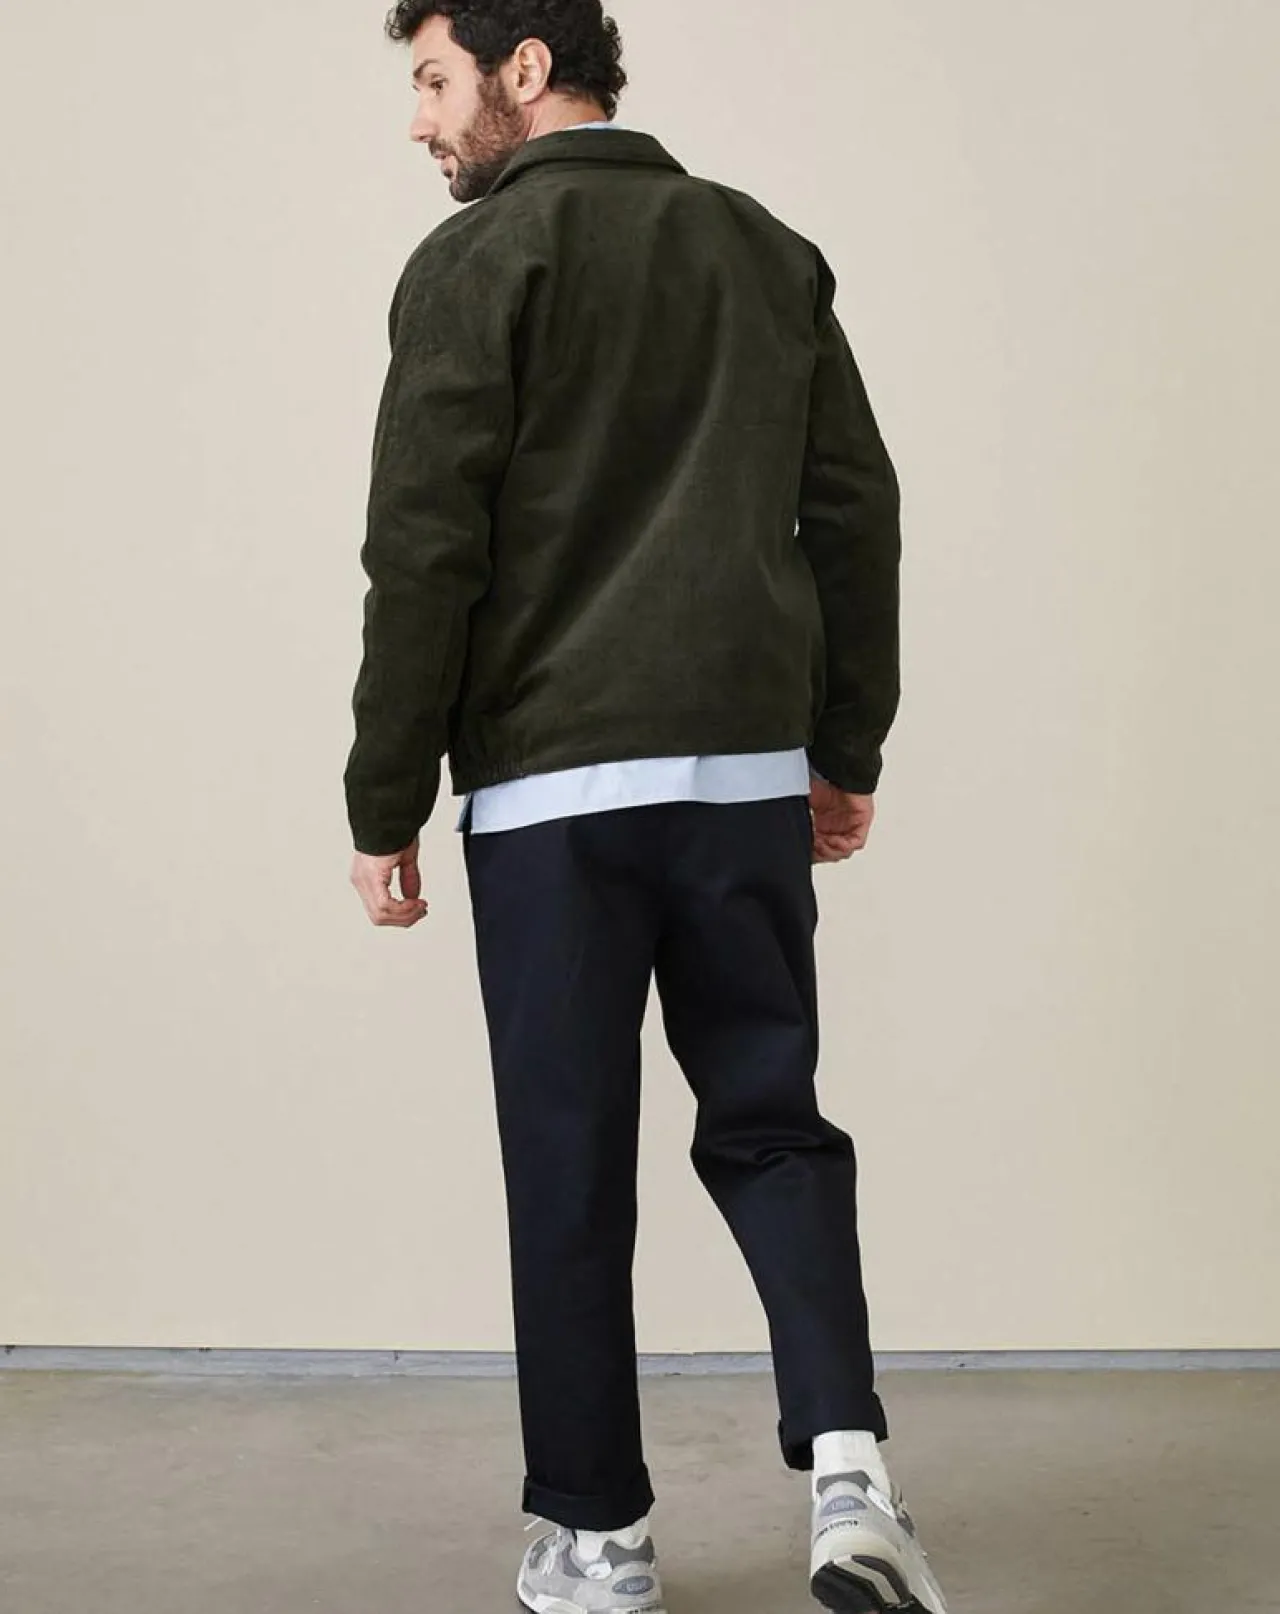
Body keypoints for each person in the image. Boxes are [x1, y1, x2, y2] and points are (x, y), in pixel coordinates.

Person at [343, 3, 951, 1610]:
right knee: (774, 1117)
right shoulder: (763, 248)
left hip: (553, 790)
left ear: (525, 68)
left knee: (568, 1155)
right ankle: (852, 1476)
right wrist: (845, 746)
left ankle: (598, 1537)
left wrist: (384, 791)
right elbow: (855, 514)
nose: (419, 120)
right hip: (742, 775)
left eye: (433, 79)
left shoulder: (479, 262)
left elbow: (424, 548)